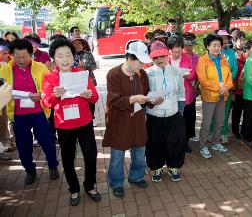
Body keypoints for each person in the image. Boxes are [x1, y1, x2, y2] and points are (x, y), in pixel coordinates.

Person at [41, 39, 100, 206]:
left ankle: (89, 185)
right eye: (60, 56)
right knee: (67, 159)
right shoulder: (50, 78)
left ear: (73, 56)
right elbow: (46, 102)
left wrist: (89, 95)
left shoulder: (81, 73)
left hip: (84, 123)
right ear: (53, 58)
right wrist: (55, 95)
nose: (65, 59)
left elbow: (94, 97)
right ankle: (73, 188)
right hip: (64, 125)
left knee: (90, 155)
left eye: (68, 54)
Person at [0, 39, 59, 184]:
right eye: (18, 57)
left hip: (38, 111)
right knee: (23, 144)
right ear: (12, 55)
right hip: (18, 114)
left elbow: (50, 86)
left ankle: (53, 166)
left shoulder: (40, 67)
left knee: (47, 141)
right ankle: (30, 170)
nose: (21, 60)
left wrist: (41, 94)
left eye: (25, 57)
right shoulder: (4, 70)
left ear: (31, 54)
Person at [103, 40, 152, 198]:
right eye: (139, 62)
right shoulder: (114, 74)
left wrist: (151, 100)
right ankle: (116, 182)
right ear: (129, 58)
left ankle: (136, 176)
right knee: (118, 153)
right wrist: (133, 99)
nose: (142, 66)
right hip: (120, 119)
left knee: (139, 149)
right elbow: (115, 100)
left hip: (138, 119)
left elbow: (147, 93)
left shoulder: (142, 74)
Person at [145, 40, 186, 182]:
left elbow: (181, 91)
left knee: (174, 141)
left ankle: (173, 166)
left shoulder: (176, 70)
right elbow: (145, 95)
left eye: (162, 56)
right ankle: (157, 168)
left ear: (167, 55)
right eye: (155, 57)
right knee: (155, 142)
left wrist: (180, 110)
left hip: (173, 113)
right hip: (154, 115)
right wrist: (150, 101)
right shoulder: (147, 73)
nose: (159, 60)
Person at [197, 34, 233, 159]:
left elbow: (229, 77)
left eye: (219, 45)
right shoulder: (203, 60)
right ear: (208, 46)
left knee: (220, 121)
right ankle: (203, 146)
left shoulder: (223, 59)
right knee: (207, 122)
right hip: (209, 96)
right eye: (214, 45)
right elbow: (203, 80)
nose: (217, 48)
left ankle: (215, 143)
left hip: (223, 94)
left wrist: (227, 87)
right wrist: (219, 88)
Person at [167, 36, 197, 153]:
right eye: (175, 51)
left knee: (187, 120)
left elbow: (193, 73)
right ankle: (174, 143)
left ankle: (185, 143)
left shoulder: (186, 58)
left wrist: (189, 76)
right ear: (170, 50)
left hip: (186, 95)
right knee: (174, 122)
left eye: (180, 51)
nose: (178, 54)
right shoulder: (166, 60)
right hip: (172, 96)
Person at [210, 30, 237, 143]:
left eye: (226, 38)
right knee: (213, 111)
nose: (225, 40)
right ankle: (211, 133)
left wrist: (227, 84)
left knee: (225, 112)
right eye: (222, 38)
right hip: (214, 88)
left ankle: (224, 133)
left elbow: (234, 68)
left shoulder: (231, 52)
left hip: (227, 88)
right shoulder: (211, 53)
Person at [71, 36, 98, 125]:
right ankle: (79, 120)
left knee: (91, 100)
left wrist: (85, 67)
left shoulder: (88, 53)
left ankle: (91, 118)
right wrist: (76, 68)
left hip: (88, 81)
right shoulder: (69, 55)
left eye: (79, 43)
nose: (77, 45)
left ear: (83, 45)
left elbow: (94, 66)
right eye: (74, 44)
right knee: (78, 101)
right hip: (75, 82)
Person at [231, 40, 252, 140]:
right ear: (247, 50)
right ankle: (235, 131)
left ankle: (244, 131)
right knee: (237, 112)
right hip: (239, 92)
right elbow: (235, 78)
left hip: (249, 92)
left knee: (247, 113)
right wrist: (234, 93)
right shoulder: (239, 61)